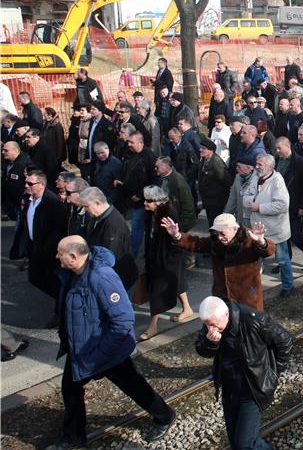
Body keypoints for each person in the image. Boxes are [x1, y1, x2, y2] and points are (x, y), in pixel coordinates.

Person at [46, 236, 176, 449]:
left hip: (105, 351)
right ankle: (73, 436)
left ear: (73, 256)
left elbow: (123, 320)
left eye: (60, 253)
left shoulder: (101, 277)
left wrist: (100, 355)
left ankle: (164, 415)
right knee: (70, 389)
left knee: (133, 385)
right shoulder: (72, 274)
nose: (57, 256)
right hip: (82, 349)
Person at [194, 296, 293, 450]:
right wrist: (210, 343)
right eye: (207, 325)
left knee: (245, 444)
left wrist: (273, 372)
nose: (210, 329)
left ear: (226, 315)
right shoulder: (211, 322)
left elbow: (285, 340)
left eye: (213, 325)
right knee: (235, 441)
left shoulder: (253, 320)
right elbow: (201, 349)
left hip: (252, 391)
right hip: (230, 391)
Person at [162, 214, 275, 311]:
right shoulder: (215, 242)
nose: (220, 237)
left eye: (223, 233)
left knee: (250, 331)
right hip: (222, 298)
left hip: (248, 299)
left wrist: (261, 241)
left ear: (234, 229)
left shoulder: (250, 239)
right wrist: (176, 235)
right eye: (217, 233)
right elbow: (196, 243)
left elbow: (269, 251)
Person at [9, 169, 68, 328]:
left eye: (30, 183)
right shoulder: (28, 199)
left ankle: (61, 310)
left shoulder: (52, 203)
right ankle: (61, 301)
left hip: (48, 251)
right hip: (34, 247)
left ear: (41, 185)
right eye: (26, 182)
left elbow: (58, 230)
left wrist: (48, 250)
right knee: (34, 278)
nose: (26, 185)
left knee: (54, 280)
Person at [141, 186, 193, 341]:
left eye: (149, 201)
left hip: (168, 256)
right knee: (176, 282)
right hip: (157, 254)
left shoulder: (169, 214)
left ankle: (153, 326)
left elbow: (175, 237)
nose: (145, 203)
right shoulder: (151, 213)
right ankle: (188, 308)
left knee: (156, 290)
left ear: (158, 201)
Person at [249, 154, 294, 297]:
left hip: (275, 229)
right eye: (256, 163)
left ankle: (288, 285)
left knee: (282, 259)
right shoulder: (255, 176)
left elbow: (283, 205)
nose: (256, 166)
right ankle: (253, 290)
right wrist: (250, 202)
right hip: (258, 230)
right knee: (255, 262)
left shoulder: (277, 181)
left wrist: (259, 207)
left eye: (260, 164)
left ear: (270, 166)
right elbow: (246, 194)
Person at [80, 187, 138, 289]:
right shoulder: (97, 217)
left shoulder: (113, 225)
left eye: (86, 206)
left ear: (97, 203)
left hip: (115, 278)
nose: (84, 210)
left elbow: (108, 258)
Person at [274, 137, 303, 267]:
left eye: (279, 148)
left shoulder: (300, 162)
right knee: (282, 236)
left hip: (295, 204)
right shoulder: (276, 161)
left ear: (288, 146)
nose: (277, 151)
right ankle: (285, 261)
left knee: (295, 235)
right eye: (276, 148)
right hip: (279, 204)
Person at [120, 132, 157, 254]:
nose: (128, 144)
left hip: (142, 201)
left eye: (132, 142)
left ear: (140, 142)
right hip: (128, 198)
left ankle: (133, 256)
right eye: (128, 141)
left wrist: (140, 195)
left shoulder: (149, 157)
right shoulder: (130, 153)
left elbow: (154, 180)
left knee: (136, 228)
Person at [198, 138, 231, 225]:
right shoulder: (204, 159)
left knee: (215, 223)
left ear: (211, 150)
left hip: (215, 200)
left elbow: (226, 180)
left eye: (203, 148)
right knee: (211, 222)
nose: (200, 150)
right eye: (200, 147)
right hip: (208, 199)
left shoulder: (216, 162)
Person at [1, 141, 31, 220]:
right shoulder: (6, 162)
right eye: (3, 150)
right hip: (9, 202)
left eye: (6, 150)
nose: (3, 152)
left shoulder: (25, 163)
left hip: (20, 203)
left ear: (15, 150)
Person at [91, 141, 123, 207]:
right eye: (98, 154)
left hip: (111, 201)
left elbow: (118, 187)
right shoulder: (96, 163)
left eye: (102, 152)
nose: (100, 155)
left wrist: (109, 201)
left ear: (107, 149)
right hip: (99, 196)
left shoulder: (116, 164)